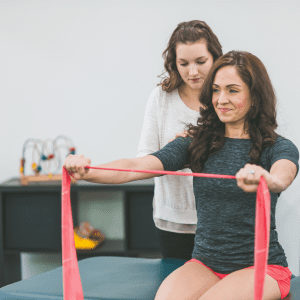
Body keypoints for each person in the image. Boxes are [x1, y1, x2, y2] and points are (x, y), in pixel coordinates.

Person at [64, 50, 299, 300]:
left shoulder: (277, 147)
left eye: (232, 90)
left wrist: (265, 179)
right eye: (216, 90)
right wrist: (88, 171)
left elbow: (282, 175)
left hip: (262, 268)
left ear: (255, 96)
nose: (221, 99)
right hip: (206, 264)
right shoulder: (197, 143)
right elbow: (137, 165)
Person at [136, 20, 222, 260]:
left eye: (200, 62)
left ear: (215, 57)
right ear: (173, 62)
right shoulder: (161, 98)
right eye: (183, 63)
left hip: (220, 220)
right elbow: (143, 157)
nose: (192, 72)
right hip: (173, 220)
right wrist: (174, 154)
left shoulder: (225, 96)